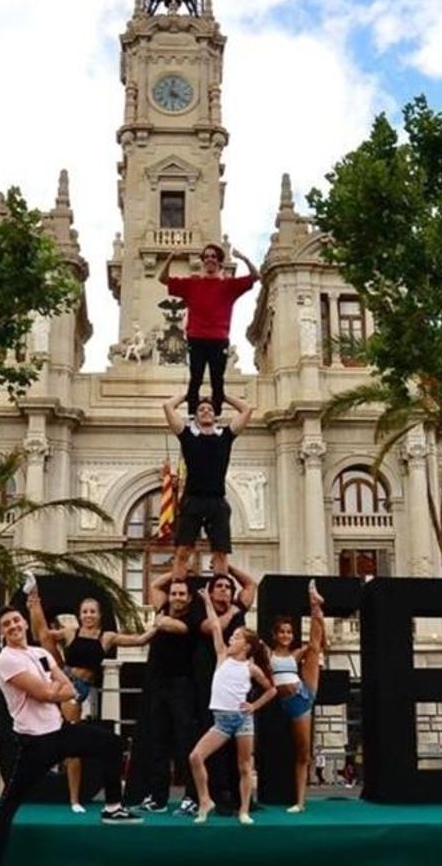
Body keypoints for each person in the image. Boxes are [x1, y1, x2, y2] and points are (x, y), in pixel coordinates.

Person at [0, 606, 141, 866]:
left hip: (60, 731)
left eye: (15, 620)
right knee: (8, 806)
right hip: (35, 743)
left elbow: (69, 689)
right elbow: (45, 694)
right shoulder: (7, 659)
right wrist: (52, 689)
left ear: (24, 623)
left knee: (111, 743)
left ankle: (113, 807)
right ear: (1, 631)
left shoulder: (40, 654)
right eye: (6, 624)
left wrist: (52, 689)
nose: (13, 626)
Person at [26, 591, 156, 813]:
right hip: (64, 678)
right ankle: (34, 598)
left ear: (99, 614)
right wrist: (34, 610)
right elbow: (41, 635)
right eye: (84, 612)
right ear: (79, 615)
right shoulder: (70, 632)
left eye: (92, 612)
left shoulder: (106, 637)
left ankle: (74, 799)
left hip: (79, 688)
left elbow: (139, 640)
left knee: (71, 743)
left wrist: (160, 625)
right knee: (45, 638)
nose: (88, 615)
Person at [187, 589, 277, 825]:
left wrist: (254, 706)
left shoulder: (250, 667)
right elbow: (216, 626)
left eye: (236, 637)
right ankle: (205, 800)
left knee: (245, 767)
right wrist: (207, 601)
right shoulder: (222, 656)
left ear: (246, 646)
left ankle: (244, 810)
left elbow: (272, 689)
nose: (231, 638)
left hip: (242, 720)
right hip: (222, 722)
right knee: (196, 757)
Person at [128, 576, 203, 813]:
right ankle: (157, 798)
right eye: (174, 593)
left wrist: (160, 621)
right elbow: (153, 585)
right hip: (159, 685)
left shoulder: (192, 618)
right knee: (158, 742)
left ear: (189, 598)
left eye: (182, 594)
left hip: (183, 686)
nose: (177, 597)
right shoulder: (162, 608)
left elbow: (178, 628)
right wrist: (177, 574)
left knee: (186, 744)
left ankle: (191, 797)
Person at [158, 244, 259, 419]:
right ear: (203, 261)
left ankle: (215, 416)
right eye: (207, 257)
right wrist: (171, 257)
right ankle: (191, 416)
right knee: (195, 378)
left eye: (214, 256)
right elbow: (163, 279)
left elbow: (256, 276)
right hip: (196, 337)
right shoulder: (192, 283)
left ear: (219, 262)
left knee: (217, 380)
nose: (210, 259)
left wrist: (244, 258)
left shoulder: (229, 285)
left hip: (218, 339)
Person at [163, 387, 254, 576]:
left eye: (210, 410)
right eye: (201, 410)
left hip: (217, 501)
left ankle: (221, 592)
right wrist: (188, 395)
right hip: (192, 500)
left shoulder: (225, 437)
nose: (206, 411)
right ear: (195, 417)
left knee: (220, 553)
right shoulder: (187, 436)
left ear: (215, 416)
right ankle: (178, 587)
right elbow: (168, 406)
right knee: (183, 551)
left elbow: (246, 410)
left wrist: (222, 395)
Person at [267, 580, 328, 812]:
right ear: (275, 634)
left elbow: (318, 642)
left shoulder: (296, 652)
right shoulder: (269, 653)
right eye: (282, 631)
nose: (286, 635)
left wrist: (319, 621)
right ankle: (299, 801)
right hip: (287, 704)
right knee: (300, 752)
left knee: (313, 645)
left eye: (289, 632)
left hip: (303, 696)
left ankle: (315, 605)